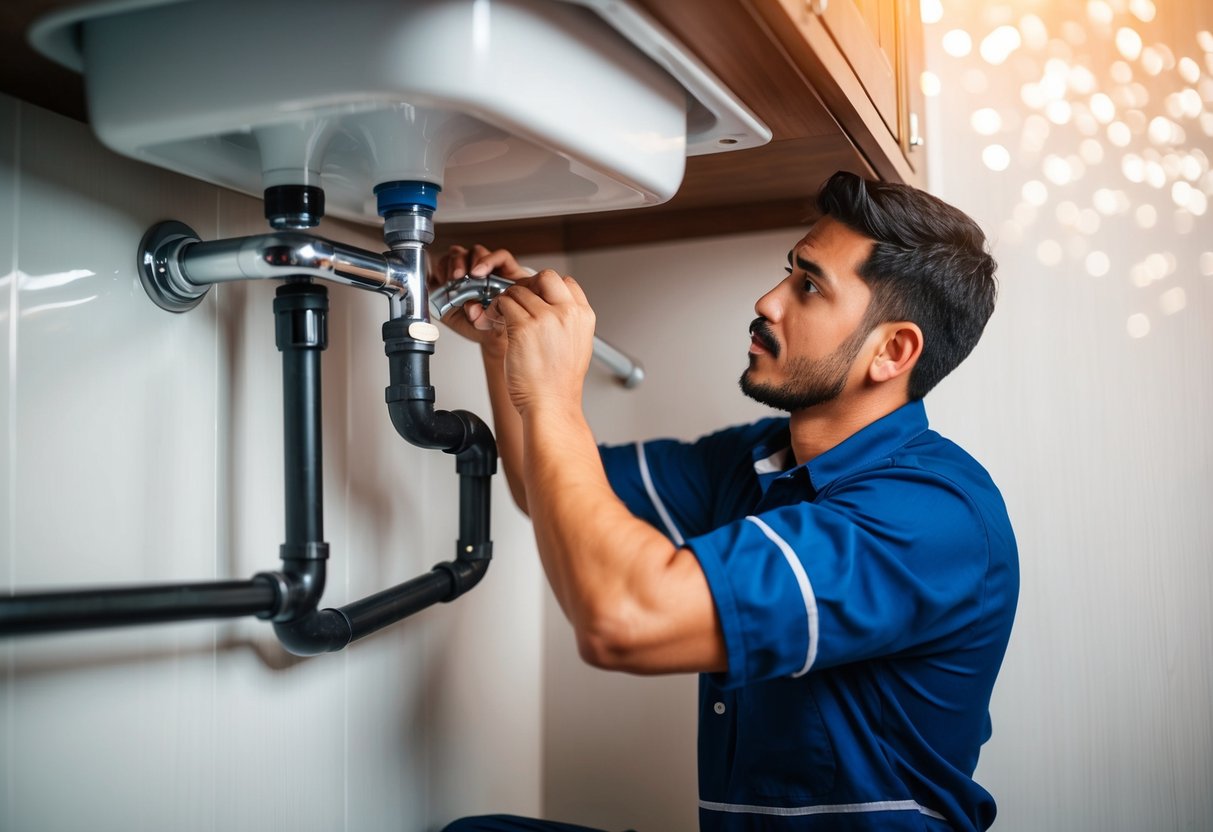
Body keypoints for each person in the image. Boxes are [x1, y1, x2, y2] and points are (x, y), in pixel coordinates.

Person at [436, 171, 1018, 832]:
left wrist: (553, 398)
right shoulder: (756, 459)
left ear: (891, 351)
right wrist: (502, 347)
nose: (768, 302)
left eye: (808, 286)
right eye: (786, 273)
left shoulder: (927, 517)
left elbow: (621, 620)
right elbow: (541, 487)